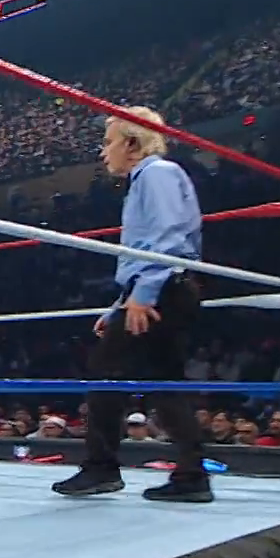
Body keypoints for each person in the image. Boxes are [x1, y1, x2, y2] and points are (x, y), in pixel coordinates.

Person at [54, 107, 212, 504]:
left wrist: (144, 294)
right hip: (162, 286)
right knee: (164, 382)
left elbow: (168, 238)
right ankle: (192, 475)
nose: (103, 151)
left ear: (131, 143)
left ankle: (102, 468)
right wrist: (121, 305)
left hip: (162, 286)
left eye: (108, 142)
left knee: (106, 371)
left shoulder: (156, 173)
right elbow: (150, 249)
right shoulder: (149, 177)